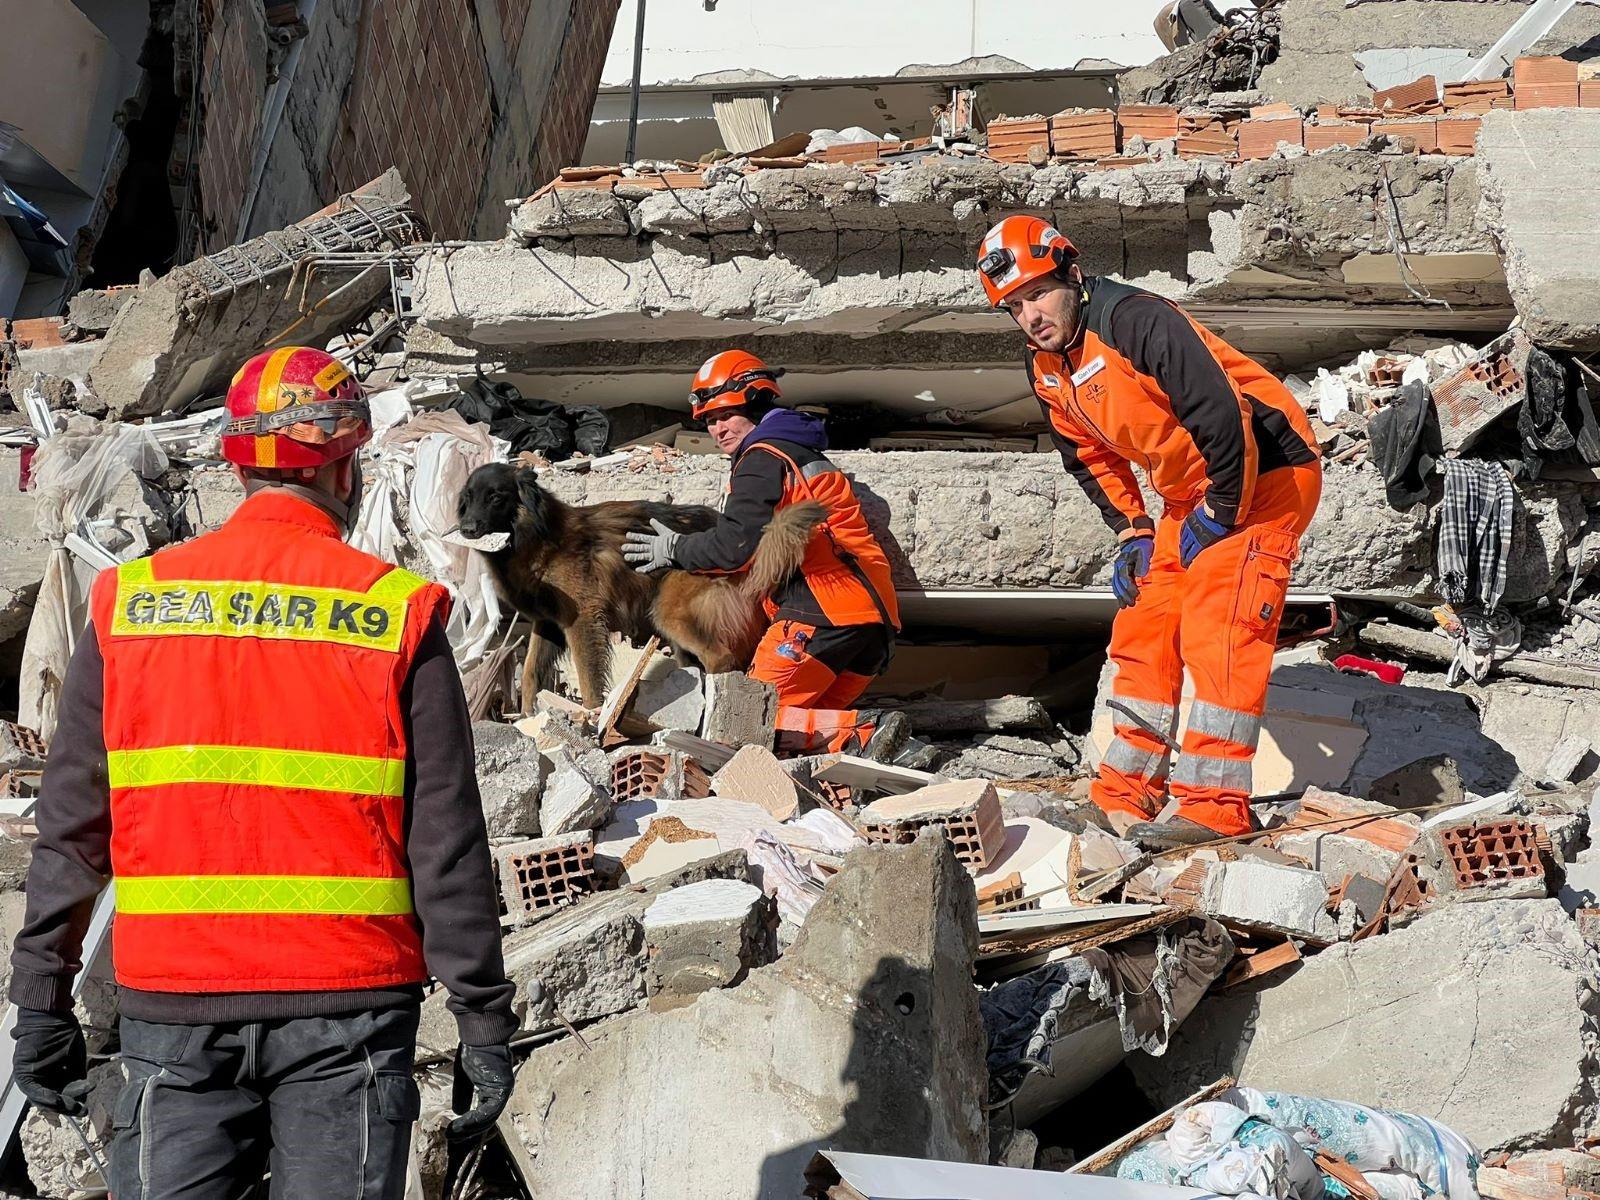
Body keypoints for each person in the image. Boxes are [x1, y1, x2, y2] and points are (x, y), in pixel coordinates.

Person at [8, 346, 518, 1198]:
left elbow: (71, 824)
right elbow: (446, 839)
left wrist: (41, 997)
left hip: (175, 1003)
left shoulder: (133, 605)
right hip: (349, 1006)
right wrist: (481, 1017)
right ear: (347, 466)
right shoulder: (394, 610)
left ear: (237, 462)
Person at [976, 216, 1322, 847]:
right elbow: (1090, 456)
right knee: (1145, 628)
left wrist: (1220, 512)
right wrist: (1135, 530)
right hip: (1187, 496)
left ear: (1073, 275)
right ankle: (1124, 795)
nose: (1030, 316)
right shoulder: (1047, 367)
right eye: (1015, 306)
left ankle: (1214, 810)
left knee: (1220, 625)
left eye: (1038, 295)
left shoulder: (1136, 321)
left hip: (1262, 474)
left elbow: (1222, 412)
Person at [622, 350, 914, 760]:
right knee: (797, 733)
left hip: (819, 616)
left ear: (757, 402)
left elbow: (735, 548)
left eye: (726, 414)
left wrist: (673, 547)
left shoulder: (762, 457)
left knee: (745, 718)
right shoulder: (799, 450)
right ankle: (884, 750)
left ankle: (871, 729)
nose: (717, 429)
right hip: (871, 624)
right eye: (708, 421)